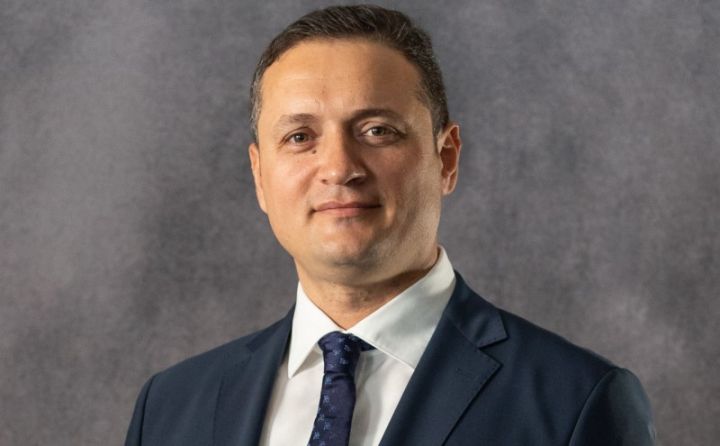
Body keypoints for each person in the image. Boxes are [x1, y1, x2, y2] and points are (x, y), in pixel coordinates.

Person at [124, 5, 655, 445]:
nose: (339, 168)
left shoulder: (575, 402)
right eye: (300, 137)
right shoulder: (170, 408)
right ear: (260, 176)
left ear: (446, 158)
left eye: (377, 130)